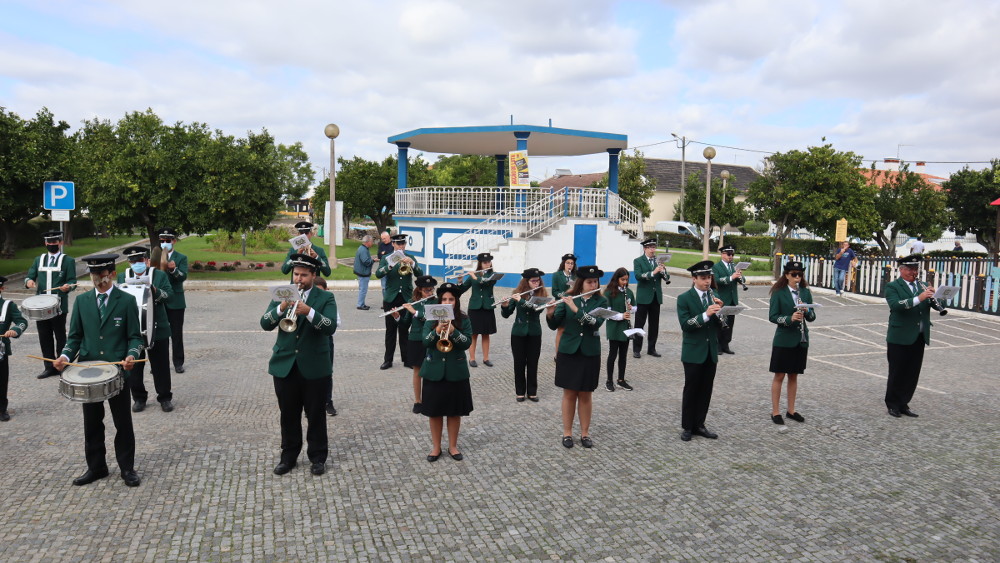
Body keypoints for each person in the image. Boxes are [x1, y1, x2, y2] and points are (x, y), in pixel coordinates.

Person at [53, 254, 143, 487]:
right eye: (93, 276)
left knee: (122, 422)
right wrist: (64, 357)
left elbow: (135, 336)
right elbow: (74, 338)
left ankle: (127, 468)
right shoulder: (82, 302)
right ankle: (97, 467)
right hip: (88, 374)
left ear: (112, 274)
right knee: (92, 422)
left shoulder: (126, 301)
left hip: (117, 372)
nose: (97, 280)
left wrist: (132, 355)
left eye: (102, 276)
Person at [260, 253, 338, 476]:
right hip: (285, 364)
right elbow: (265, 323)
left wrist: (310, 312)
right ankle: (288, 456)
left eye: (304, 275)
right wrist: (281, 308)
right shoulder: (282, 294)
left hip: (314, 365)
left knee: (316, 414)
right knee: (288, 414)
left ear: (314, 275)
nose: (298, 280)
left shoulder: (326, 297)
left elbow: (330, 327)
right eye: (296, 274)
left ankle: (317, 457)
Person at [546, 265, 608, 449]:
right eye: (589, 282)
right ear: (581, 283)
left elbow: (595, 324)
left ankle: (585, 433)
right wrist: (550, 312)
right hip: (568, 351)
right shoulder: (568, 298)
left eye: (595, 281)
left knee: (586, 394)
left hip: (589, 352)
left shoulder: (601, 302)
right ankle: (567, 433)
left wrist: (575, 309)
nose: (593, 284)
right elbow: (555, 324)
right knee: (569, 393)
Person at [419, 282, 473, 462]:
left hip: (455, 371)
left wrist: (453, 331)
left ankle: (452, 446)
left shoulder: (463, 319)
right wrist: (436, 330)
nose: (447, 302)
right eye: (444, 299)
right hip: (434, 370)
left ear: (456, 301)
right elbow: (425, 342)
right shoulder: (431, 318)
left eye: (451, 299)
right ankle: (436, 447)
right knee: (434, 412)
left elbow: (466, 343)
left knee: (454, 411)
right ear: (439, 301)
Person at [117, 246, 174, 413]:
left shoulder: (159, 275)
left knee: (160, 365)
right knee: (134, 365)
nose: (137, 264)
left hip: (157, 327)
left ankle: (165, 397)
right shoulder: (123, 276)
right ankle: (139, 398)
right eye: (133, 261)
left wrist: (155, 291)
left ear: (147, 261)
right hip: (133, 329)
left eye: (140, 260)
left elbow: (169, 296)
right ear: (129, 263)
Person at [676, 260, 725, 442]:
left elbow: (721, 327)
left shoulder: (714, 296)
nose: (707, 282)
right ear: (694, 279)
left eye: (709, 278)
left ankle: (700, 424)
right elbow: (686, 325)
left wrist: (721, 312)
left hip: (710, 351)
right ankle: (687, 426)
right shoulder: (684, 298)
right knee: (691, 389)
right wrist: (706, 314)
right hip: (693, 352)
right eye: (703, 278)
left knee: (706, 390)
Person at [884, 254, 934, 418]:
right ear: (902, 270)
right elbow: (896, 306)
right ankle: (892, 404)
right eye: (910, 269)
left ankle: (904, 402)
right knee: (897, 371)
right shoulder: (893, 286)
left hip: (918, 336)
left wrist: (937, 296)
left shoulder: (923, 285)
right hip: (899, 335)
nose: (914, 272)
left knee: (912, 372)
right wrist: (919, 298)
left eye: (916, 269)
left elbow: (930, 304)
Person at [768, 261, 816, 426]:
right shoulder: (778, 292)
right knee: (779, 375)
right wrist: (790, 318)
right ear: (786, 275)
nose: (797, 278)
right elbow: (773, 316)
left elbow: (812, 317)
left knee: (794, 375)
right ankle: (775, 411)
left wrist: (807, 310)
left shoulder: (805, 292)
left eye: (800, 274)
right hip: (784, 339)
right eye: (794, 274)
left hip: (801, 339)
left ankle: (791, 410)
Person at [25, 230, 77, 378]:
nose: (51, 244)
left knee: (60, 335)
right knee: (44, 336)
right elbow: (30, 275)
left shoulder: (68, 261)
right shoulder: (38, 259)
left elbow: (72, 280)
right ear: (45, 243)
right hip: (40, 305)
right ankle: (49, 367)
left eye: (54, 242)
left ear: (60, 243)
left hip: (58, 305)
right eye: (49, 242)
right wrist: (28, 281)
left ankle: (61, 365)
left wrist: (68, 286)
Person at [375, 234, 423, 370]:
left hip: (406, 298)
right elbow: (378, 274)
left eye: (403, 244)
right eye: (399, 244)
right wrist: (389, 266)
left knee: (404, 329)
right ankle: (388, 360)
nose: (401, 246)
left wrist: (412, 264)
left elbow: (420, 274)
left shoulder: (411, 258)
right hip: (391, 298)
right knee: (390, 330)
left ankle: (407, 359)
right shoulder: (386, 258)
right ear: (393, 245)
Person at [500, 268, 546, 402]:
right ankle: (520, 392)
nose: (536, 283)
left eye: (538, 280)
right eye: (533, 281)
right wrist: (505, 305)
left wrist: (520, 300)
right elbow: (507, 314)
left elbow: (536, 310)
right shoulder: (517, 294)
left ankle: (532, 392)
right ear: (526, 282)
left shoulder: (541, 295)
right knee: (519, 363)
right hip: (518, 333)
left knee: (533, 362)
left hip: (534, 333)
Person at [400, 275, 438, 414]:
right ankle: (417, 400)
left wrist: (415, 312)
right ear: (420, 290)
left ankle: (430, 398)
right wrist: (397, 316)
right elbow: (405, 324)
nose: (430, 292)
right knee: (417, 371)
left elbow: (429, 318)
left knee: (431, 370)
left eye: (431, 289)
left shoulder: (436, 302)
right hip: (415, 339)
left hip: (431, 338)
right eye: (427, 290)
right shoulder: (412, 302)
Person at [632, 238, 669, 358]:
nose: (653, 250)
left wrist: (664, 272)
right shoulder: (638, 261)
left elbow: (666, 276)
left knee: (654, 325)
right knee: (639, 324)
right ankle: (636, 349)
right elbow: (638, 276)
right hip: (643, 297)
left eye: (654, 247)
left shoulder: (658, 261)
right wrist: (653, 272)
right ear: (645, 248)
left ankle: (651, 348)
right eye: (650, 248)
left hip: (655, 297)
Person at [158, 228, 189, 373]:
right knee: (159, 334)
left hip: (176, 301)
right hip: (159, 300)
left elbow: (183, 277)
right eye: (162, 241)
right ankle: (160, 363)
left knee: (176, 334)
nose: (165, 243)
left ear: (173, 241)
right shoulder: (155, 257)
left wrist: (173, 270)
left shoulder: (181, 257)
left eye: (167, 241)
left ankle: (178, 362)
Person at [461, 252, 498, 367]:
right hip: (475, 308)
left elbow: (484, 283)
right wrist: (459, 281)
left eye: (489, 262)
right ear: (480, 263)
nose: (487, 264)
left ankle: (486, 358)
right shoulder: (474, 275)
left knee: (486, 334)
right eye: (485, 262)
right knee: (473, 334)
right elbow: (462, 289)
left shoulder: (493, 275)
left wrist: (474, 277)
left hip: (487, 307)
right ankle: (472, 358)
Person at [0, 276, 29, 421]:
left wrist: (15, 330)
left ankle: (1, 409)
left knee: (1, 379)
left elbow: (22, 321)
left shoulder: (8, 306)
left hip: (1, 349)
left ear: (2, 289)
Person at [604, 267, 636, 391]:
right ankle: (609, 380)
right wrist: (621, 316)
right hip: (614, 327)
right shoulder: (609, 292)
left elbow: (635, 308)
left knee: (623, 355)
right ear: (617, 279)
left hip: (625, 327)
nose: (625, 282)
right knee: (613, 354)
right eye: (622, 280)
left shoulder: (629, 292)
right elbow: (607, 312)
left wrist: (631, 308)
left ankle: (621, 380)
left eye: (627, 280)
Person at [313, 277, 339, 417]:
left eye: (320, 292)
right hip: (310, 339)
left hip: (325, 339)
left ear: (326, 290)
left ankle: (328, 401)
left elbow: (335, 324)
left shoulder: (329, 302)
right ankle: (312, 402)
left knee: (327, 372)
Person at [712, 244, 741, 355]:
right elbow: (717, 280)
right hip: (722, 299)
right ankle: (718, 345)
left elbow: (741, 279)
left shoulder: (734, 266)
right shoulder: (717, 267)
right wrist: (731, 278)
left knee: (730, 323)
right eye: (728, 254)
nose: (731, 256)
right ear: (722, 254)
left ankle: (726, 344)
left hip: (732, 299)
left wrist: (740, 277)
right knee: (720, 322)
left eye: (732, 254)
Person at [550, 253, 577, 360]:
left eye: (572, 263)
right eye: (568, 263)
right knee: (560, 329)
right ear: (563, 264)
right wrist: (565, 294)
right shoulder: (556, 275)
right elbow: (554, 291)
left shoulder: (576, 276)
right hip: (561, 304)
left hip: (572, 304)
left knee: (571, 328)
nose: (570, 265)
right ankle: (558, 354)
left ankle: (570, 352)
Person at [353, 235, 374, 310]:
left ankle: (362, 303)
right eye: (371, 242)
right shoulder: (363, 250)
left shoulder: (362, 248)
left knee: (362, 289)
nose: (372, 243)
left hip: (361, 272)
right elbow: (366, 261)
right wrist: (373, 260)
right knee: (363, 289)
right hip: (363, 273)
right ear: (367, 242)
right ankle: (360, 304)